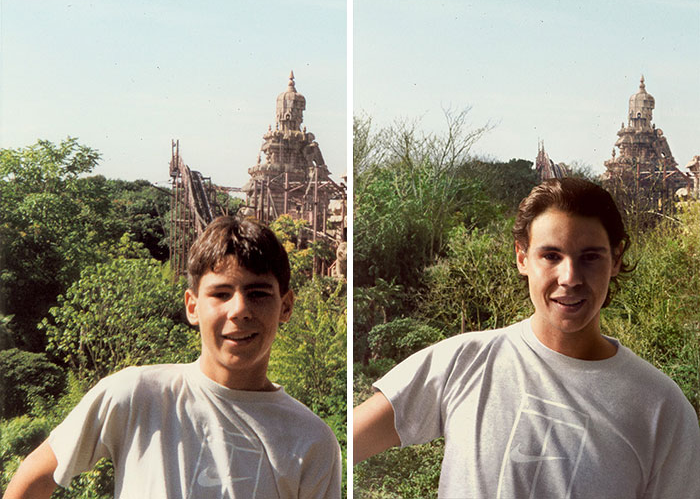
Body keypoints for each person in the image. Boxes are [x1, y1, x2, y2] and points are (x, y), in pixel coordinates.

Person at [353, 177, 700, 498]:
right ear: (522, 257)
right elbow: (342, 443)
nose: (570, 277)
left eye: (590, 257)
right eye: (551, 256)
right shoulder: (464, 361)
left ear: (617, 259)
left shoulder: (661, 408)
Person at [4, 216, 341, 499]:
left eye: (258, 294)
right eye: (221, 294)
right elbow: (33, 478)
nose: (239, 310)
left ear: (286, 306)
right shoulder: (137, 394)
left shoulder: (312, 441)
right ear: (192, 306)